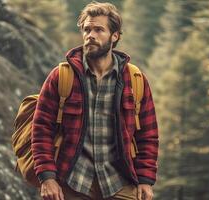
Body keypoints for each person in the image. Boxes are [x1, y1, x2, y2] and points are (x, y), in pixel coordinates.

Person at [31, 2, 159, 200]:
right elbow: (41, 130)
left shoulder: (134, 80)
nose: (90, 35)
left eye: (99, 29)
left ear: (114, 36)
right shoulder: (61, 76)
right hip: (72, 183)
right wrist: (47, 177)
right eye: (87, 29)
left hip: (120, 182)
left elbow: (148, 136)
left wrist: (145, 180)